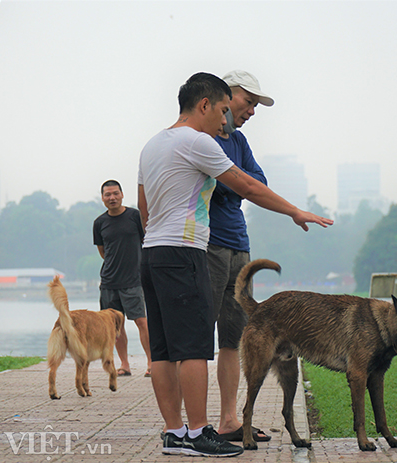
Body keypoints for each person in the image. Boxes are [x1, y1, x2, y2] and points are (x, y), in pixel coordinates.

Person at [137, 72, 333, 457]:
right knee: (194, 348)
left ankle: (174, 433)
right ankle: (196, 434)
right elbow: (248, 186)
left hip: (153, 251)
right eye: (223, 110)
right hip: (185, 251)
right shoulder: (197, 141)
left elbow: (144, 208)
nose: (225, 120)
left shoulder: (152, 144)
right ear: (204, 105)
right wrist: (294, 211)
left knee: (161, 350)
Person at [208, 70, 273, 442]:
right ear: (225, 97)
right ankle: (196, 425)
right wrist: (238, 184)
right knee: (199, 338)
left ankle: (229, 420)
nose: (251, 110)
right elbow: (223, 182)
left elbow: (257, 183)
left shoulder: (239, 140)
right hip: (208, 245)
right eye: (248, 101)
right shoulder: (202, 138)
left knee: (232, 338)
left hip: (239, 244)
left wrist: (236, 184)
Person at [93, 179, 152, 377]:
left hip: (134, 280)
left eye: (115, 193)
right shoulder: (99, 223)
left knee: (142, 322)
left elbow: (146, 240)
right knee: (115, 327)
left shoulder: (135, 216)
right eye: (108, 195)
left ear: (122, 194)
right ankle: (125, 365)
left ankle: (152, 363)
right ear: (102, 198)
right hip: (109, 282)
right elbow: (103, 252)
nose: (112, 198)